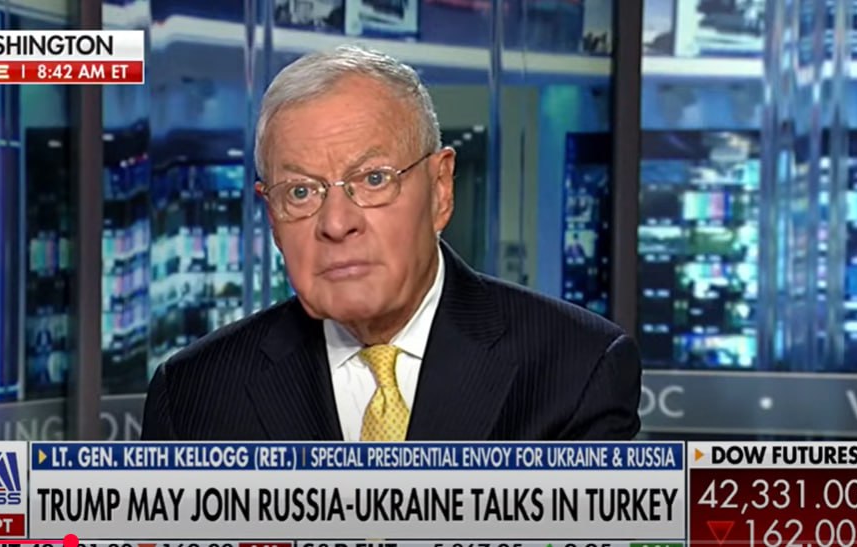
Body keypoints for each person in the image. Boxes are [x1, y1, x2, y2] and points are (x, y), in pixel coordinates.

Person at [141, 45, 642, 441]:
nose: (337, 223)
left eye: (374, 179)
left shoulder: (577, 368)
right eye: (300, 192)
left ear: (441, 189)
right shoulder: (192, 396)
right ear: (271, 216)